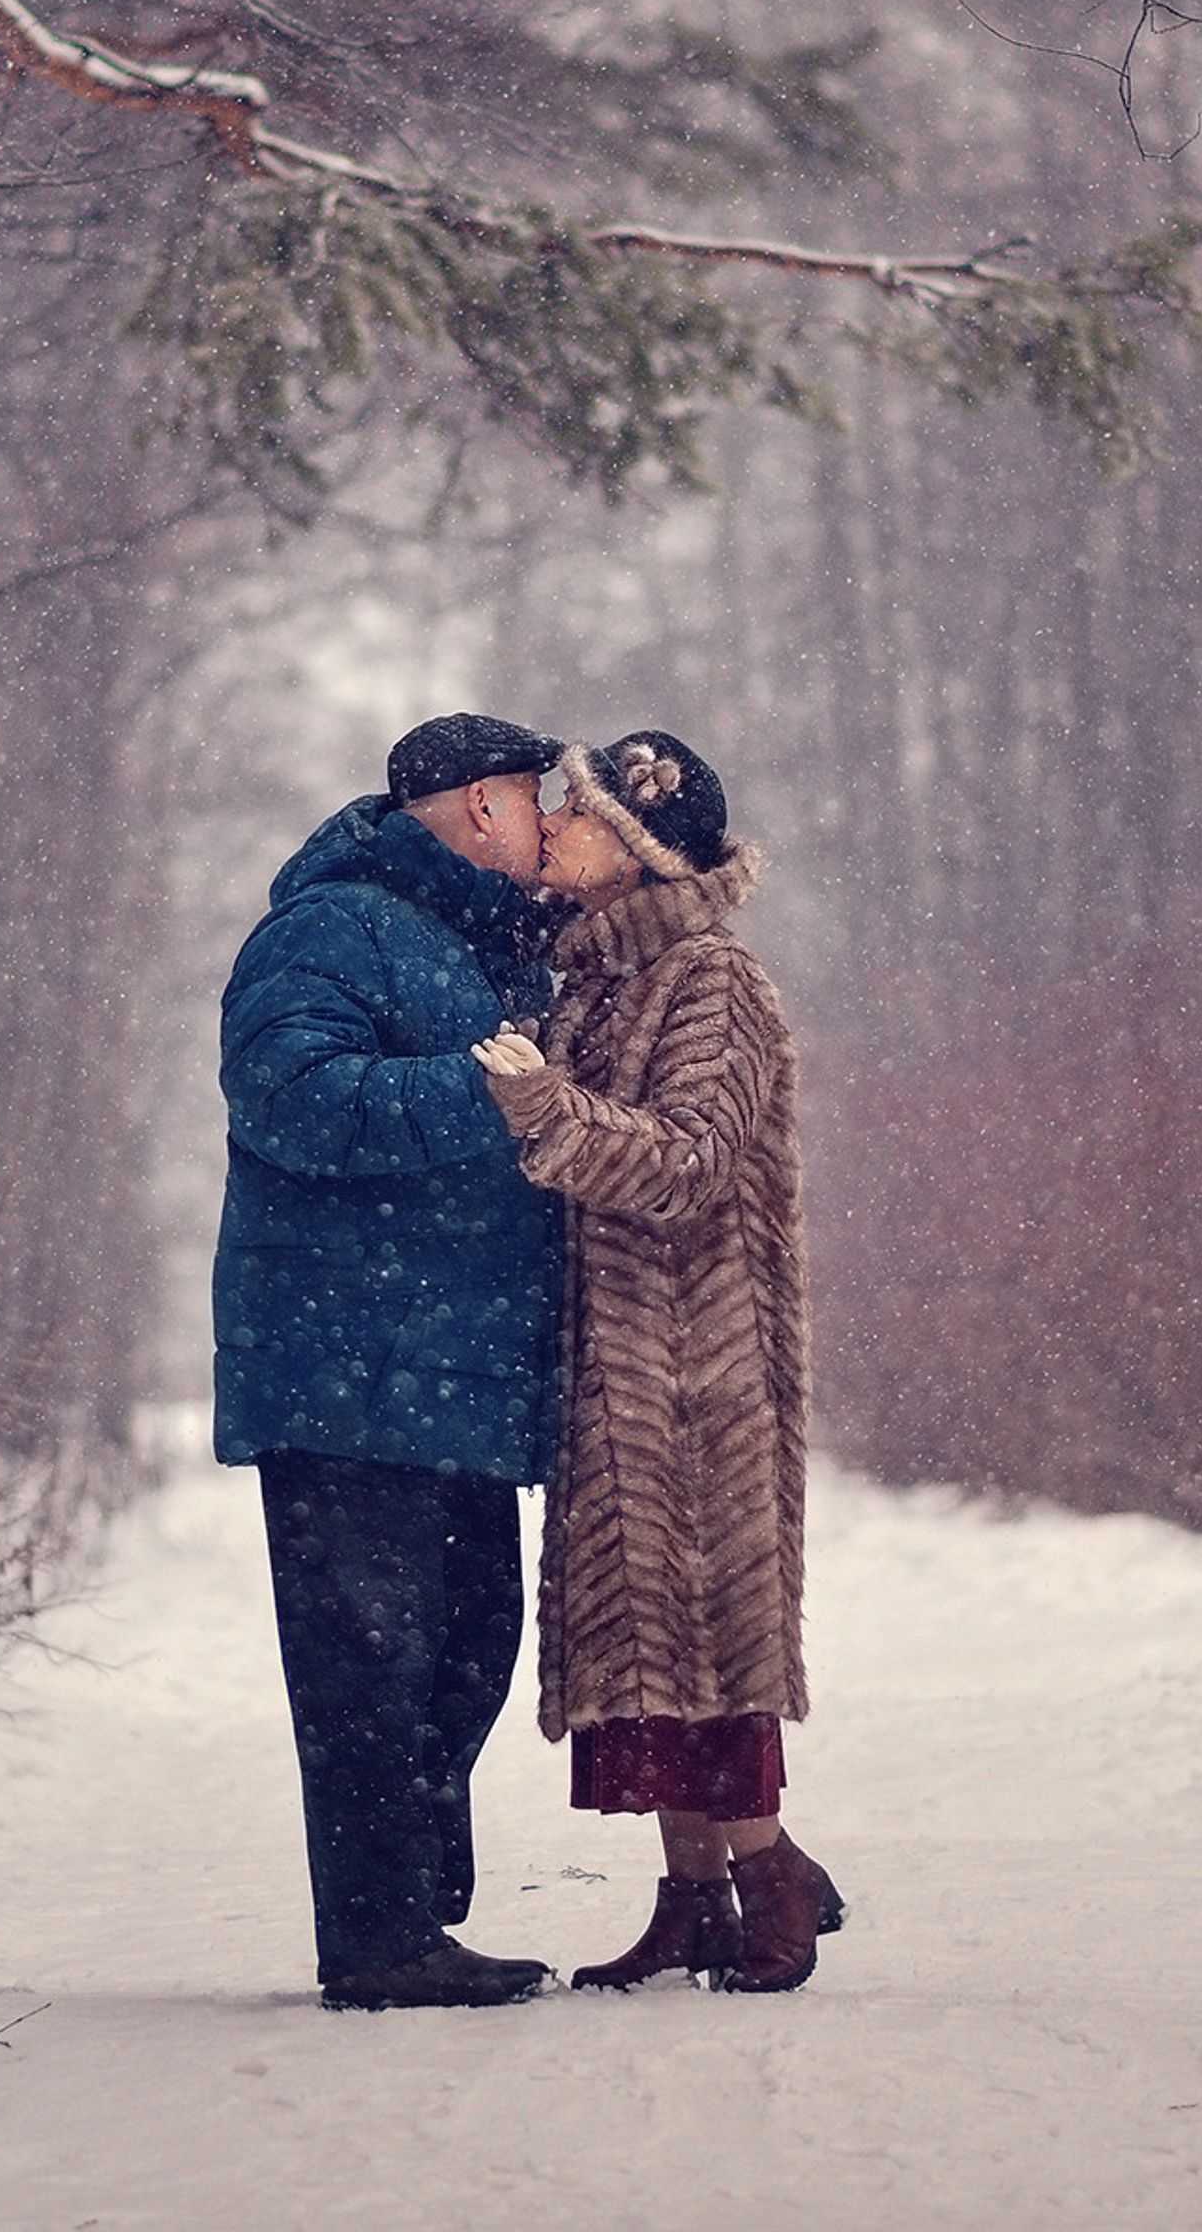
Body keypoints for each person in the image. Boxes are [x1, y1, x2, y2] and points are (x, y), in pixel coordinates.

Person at [474, 730, 844, 1993]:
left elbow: (688, 1161)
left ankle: (772, 1869)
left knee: (703, 1622)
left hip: (698, 1363)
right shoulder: (594, 981)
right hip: (611, 1357)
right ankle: (690, 1896)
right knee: (643, 1637)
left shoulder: (711, 981)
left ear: (634, 855)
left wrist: (545, 1112)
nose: (555, 829)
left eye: (578, 815)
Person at [213, 712, 569, 2012]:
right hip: (349, 1374)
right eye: (534, 799)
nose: (548, 824)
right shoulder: (329, 928)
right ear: (480, 805)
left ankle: (412, 1907)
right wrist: (486, 1086)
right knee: (368, 1666)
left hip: (446, 1382)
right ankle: (378, 1942)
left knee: (470, 1645)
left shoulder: (476, 946)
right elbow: (287, 1097)